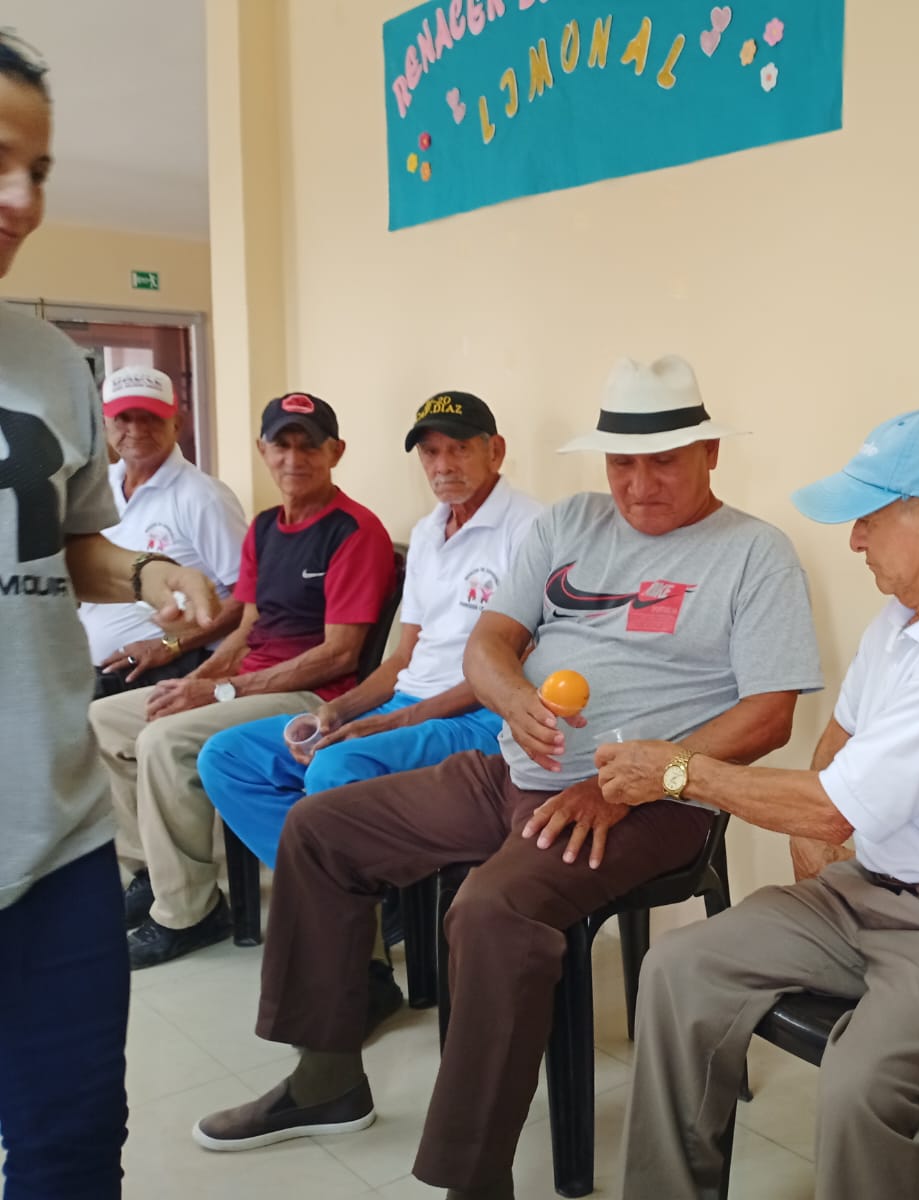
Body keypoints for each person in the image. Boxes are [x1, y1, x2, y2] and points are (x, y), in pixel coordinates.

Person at [193, 354, 824, 1200]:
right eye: (622, 462)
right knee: (320, 827)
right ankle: (326, 1079)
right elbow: (490, 643)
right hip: (512, 772)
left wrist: (634, 779)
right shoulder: (570, 523)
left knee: (488, 912)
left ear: (709, 454)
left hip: (650, 800)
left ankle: (474, 1177)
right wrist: (513, 697)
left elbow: (769, 715)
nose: (638, 485)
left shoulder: (754, 552)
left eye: (664, 462)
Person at [605, 406, 919, 1200]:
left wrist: (678, 773)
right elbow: (836, 748)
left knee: (860, 1078)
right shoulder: (904, 618)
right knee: (677, 969)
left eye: (868, 518)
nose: (854, 539)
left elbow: (832, 807)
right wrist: (814, 842)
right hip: (871, 893)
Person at [0, 31, 221, 1196]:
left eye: (38, 169)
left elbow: (67, 542)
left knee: (75, 1148)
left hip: (56, 841)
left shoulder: (49, 364)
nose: (22, 200)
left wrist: (145, 577)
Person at [197, 393, 541, 1012]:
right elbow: (401, 659)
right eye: (430, 452)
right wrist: (340, 711)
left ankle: (352, 960)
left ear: (496, 451)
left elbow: (511, 670)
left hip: (481, 716)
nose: (442, 465)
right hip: (409, 703)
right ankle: (352, 910)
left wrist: (389, 724)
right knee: (228, 757)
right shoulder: (430, 531)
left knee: (336, 768)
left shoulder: (532, 529)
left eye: (459, 448)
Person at [89, 392, 395, 968]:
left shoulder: (355, 531)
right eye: (282, 445)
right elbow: (248, 626)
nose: (294, 459)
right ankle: (151, 874)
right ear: (263, 450)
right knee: (105, 719)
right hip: (249, 685)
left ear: (336, 453)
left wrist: (218, 691)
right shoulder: (264, 528)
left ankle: (188, 912)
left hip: (312, 697)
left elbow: (339, 655)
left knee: (163, 740)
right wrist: (197, 680)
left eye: (309, 447)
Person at [80, 365, 248, 699]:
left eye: (151, 417)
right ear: (104, 423)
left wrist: (170, 645)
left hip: (162, 673)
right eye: (123, 418)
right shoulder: (97, 487)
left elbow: (250, 598)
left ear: (177, 423)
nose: (136, 430)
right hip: (92, 672)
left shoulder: (203, 497)